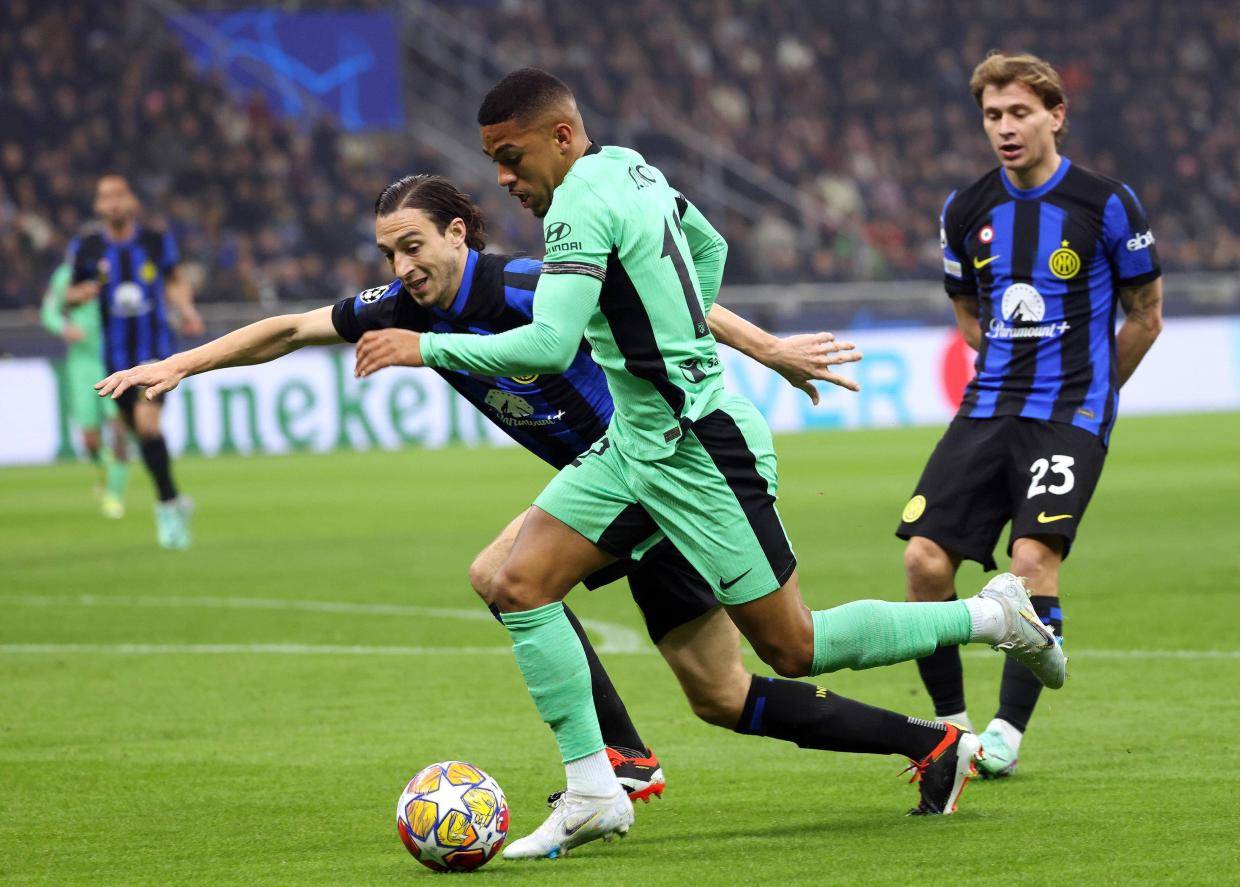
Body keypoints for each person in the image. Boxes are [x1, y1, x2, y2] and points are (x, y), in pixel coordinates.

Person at [97, 173, 995, 830]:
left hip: (649, 472)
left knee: (509, 576)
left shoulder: (525, 283)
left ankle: (614, 770)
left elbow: (665, 300)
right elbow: (291, 328)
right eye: (388, 254)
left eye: (414, 246)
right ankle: (931, 740)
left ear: (458, 233)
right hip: (610, 497)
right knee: (728, 692)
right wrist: (181, 363)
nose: (401, 266)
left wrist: (771, 348)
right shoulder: (409, 304)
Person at [347, 68, 1065, 857]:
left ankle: (993, 616)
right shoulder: (631, 167)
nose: (504, 180)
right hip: (635, 444)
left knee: (793, 646)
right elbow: (708, 245)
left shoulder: (577, 206)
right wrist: (676, 328)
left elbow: (550, 345)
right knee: (516, 584)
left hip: (697, 448)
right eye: (495, 162)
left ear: (560, 136)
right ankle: (595, 789)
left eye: (512, 159)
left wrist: (424, 348)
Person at [896, 52, 1163, 778]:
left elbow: (1145, 315)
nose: (1005, 128)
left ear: (1055, 115)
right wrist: (997, 351)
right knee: (923, 561)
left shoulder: (1107, 203)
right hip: (987, 407)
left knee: (1030, 560)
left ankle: (1007, 731)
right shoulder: (965, 208)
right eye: (993, 115)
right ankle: (951, 730)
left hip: (1068, 414)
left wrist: (1095, 397)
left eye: (1019, 112)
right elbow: (965, 304)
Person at [67, 174, 203, 549]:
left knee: (146, 424)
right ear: (98, 206)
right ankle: (174, 498)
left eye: (119, 195)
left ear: (132, 201)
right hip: (115, 360)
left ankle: (166, 510)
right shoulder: (88, 247)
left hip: (156, 353)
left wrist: (186, 309)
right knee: (141, 435)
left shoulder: (155, 241)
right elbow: (69, 293)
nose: (112, 202)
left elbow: (174, 280)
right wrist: (81, 292)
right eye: (105, 196)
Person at [40, 257, 129, 517]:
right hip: (82, 365)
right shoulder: (66, 274)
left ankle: (114, 494)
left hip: (115, 360)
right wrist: (64, 326)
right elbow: (49, 311)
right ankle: (103, 468)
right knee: (90, 439)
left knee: (119, 429)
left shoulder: (118, 267)